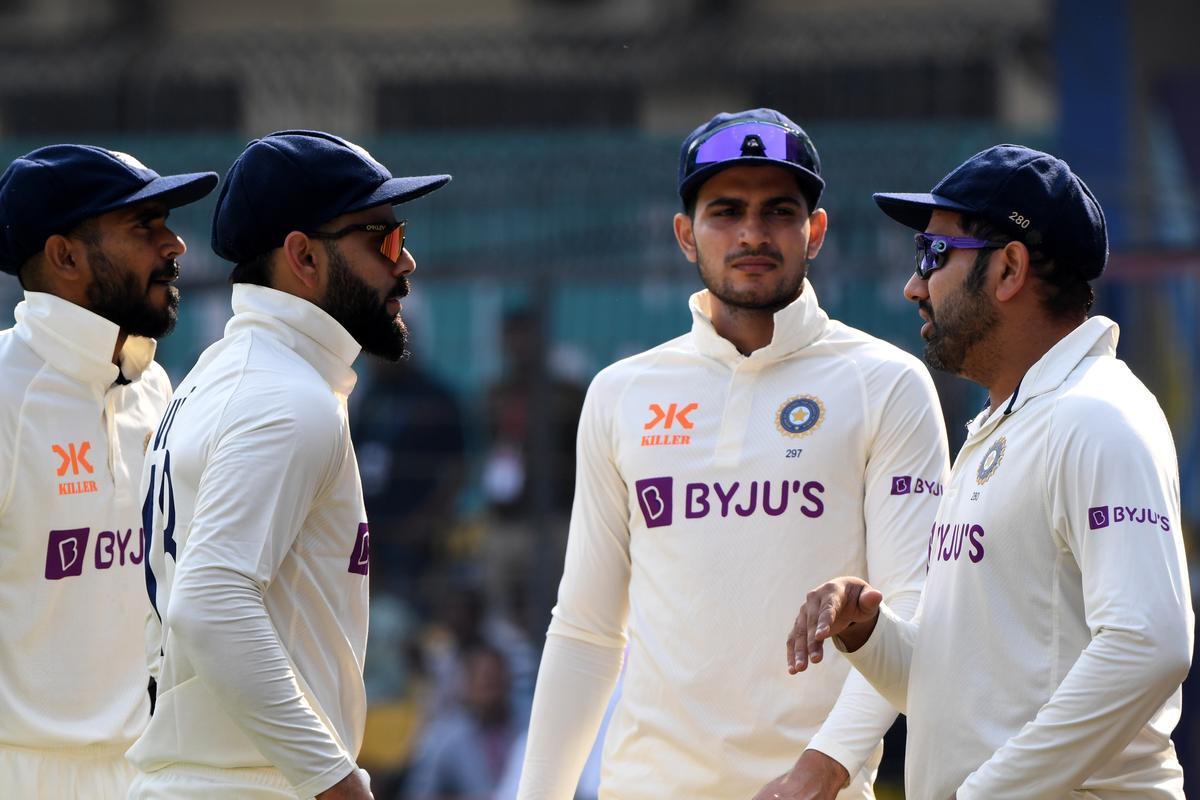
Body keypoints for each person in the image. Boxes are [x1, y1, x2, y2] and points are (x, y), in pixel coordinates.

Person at [516, 109, 951, 799]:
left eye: (779, 210)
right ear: (685, 235)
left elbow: (913, 608)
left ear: (816, 231)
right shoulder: (622, 393)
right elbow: (586, 632)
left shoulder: (886, 384)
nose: (752, 233)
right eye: (726, 211)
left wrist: (824, 768)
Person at [785, 144, 1194, 799]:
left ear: (1008, 269)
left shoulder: (1096, 414)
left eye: (933, 254)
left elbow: (1149, 644)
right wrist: (869, 633)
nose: (914, 286)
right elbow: (962, 692)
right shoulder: (1004, 427)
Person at [126, 130, 451, 800]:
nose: (406, 261)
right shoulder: (285, 397)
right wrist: (336, 782)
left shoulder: (224, 373)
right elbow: (212, 605)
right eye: (384, 239)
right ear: (303, 255)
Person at [0, 144, 216, 796]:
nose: (175, 245)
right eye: (144, 226)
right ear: (65, 256)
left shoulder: (155, 387)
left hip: (146, 771)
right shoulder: (6, 392)